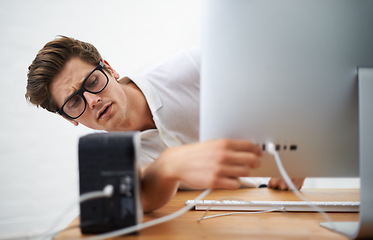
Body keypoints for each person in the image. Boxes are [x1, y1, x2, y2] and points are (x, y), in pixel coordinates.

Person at [25, 36, 304, 212]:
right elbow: (140, 201)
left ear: (108, 68)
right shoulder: (106, 152)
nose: (93, 100)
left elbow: (281, 79)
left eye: (92, 82)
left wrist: (299, 151)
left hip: (276, 200)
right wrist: (168, 167)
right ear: (67, 118)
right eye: (74, 102)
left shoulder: (190, 67)